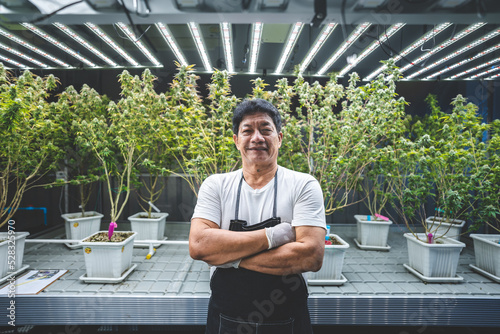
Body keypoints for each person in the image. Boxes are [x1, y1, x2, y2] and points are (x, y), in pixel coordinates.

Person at [189, 98, 326, 334]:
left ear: (279, 138)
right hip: (227, 318)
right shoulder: (216, 186)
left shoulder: (303, 185)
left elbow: (311, 256)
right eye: (247, 131)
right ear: (236, 140)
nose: (257, 138)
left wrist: (229, 257)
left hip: (287, 319)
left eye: (265, 130)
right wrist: (276, 236)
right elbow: (200, 245)